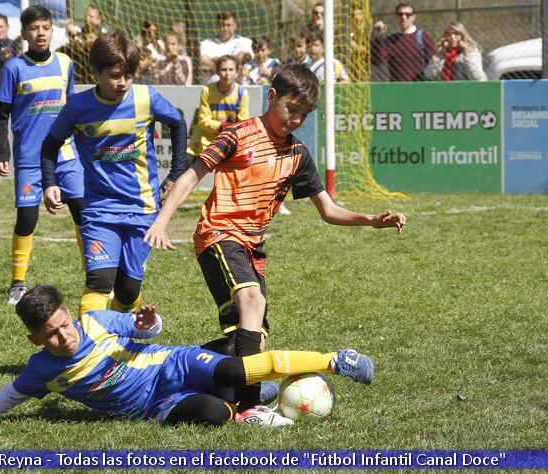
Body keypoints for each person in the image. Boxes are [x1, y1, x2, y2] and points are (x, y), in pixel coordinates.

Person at [143, 65, 405, 416]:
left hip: (252, 248)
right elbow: (192, 176)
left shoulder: (297, 155)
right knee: (252, 301)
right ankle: (250, 408)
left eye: (304, 114)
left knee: (248, 341)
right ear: (271, 97)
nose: (296, 119)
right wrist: (162, 222)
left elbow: (327, 209)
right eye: (291, 109)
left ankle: (177, 367)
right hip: (218, 235)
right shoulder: (237, 134)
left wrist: (372, 221)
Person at [0, 285, 374, 428]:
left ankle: (334, 360)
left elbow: (146, 329)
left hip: (172, 362)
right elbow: (9, 395)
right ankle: (253, 402)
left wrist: (149, 323)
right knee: (213, 414)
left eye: (64, 324)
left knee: (230, 367)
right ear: (34, 341)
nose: (65, 336)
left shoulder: (95, 321)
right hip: (157, 405)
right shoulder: (42, 371)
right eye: (52, 335)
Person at [40, 30, 189, 317]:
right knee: (99, 281)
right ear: (95, 72)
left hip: (142, 208)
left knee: (128, 290)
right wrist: (49, 183)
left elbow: (178, 123)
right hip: (98, 208)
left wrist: (176, 172)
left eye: (129, 75)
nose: (123, 83)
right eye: (115, 75)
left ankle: (120, 336)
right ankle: (92, 350)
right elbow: (50, 144)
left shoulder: (146, 98)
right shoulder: (78, 107)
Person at [0, 5, 84, 305]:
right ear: (25, 33)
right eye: (34, 29)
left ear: (52, 30)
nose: (40, 33)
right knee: (27, 219)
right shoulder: (13, 68)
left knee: (84, 214)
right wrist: (0, 149)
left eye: (45, 27)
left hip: (66, 154)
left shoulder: (66, 63)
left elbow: (73, 110)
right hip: (30, 158)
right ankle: (18, 283)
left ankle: (95, 277)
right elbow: (0, 114)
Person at [188, 55, 249, 158]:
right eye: (223, 70)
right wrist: (222, 126)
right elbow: (203, 122)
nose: (227, 74)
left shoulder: (241, 93)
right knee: (182, 169)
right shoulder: (207, 90)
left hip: (229, 143)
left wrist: (227, 127)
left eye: (231, 70)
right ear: (217, 72)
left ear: (237, 72)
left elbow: (243, 124)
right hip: (203, 142)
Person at [372, 3, 435, 82]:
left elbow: (433, 62)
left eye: (407, 14)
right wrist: (379, 36)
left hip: (419, 88)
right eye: (400, 14)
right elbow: (377, 60)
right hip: (396, 88)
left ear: (413, 17)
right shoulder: (391, 40)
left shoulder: (422, 37)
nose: (404, 17)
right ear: (396, 17)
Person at [199, 12, 253, 83]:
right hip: (210, 88)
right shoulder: (205, 44)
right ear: (216, 26)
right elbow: (202, 61)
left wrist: (217, 62)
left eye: (228, 25)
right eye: (222, 25)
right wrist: (230, 63)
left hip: (238, 87)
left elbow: (244, 56)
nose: (225, 28)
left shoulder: (244, 42)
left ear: (235, 26)